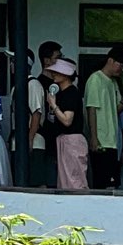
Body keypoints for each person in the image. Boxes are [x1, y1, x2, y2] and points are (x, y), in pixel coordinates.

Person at [84, 45, 123, 190]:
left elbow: (113, 111)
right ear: (110, 60)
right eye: (120, 65)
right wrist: (93, 137)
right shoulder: (95, 79)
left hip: (112, 140)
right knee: (102, 184)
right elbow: (91, 108)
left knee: (112, 185)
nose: (121, 70)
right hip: (101, 141)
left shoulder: (113, 82)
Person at [47, 57, 88, 191]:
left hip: (72, 140)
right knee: (65, 182)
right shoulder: (62, 93)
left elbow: (67, 120)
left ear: (66, 75)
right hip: (64, 140)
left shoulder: (71, 93)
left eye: (57, 72)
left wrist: (53, 105)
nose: (53, 74)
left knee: (74, 181)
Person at [27, 41, 63, 189]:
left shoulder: (61, 83)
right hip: (45, 139)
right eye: (57, 57)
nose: (60, 61)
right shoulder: (37, 84)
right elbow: (37, 113)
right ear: (47, 60)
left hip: (60, 139)